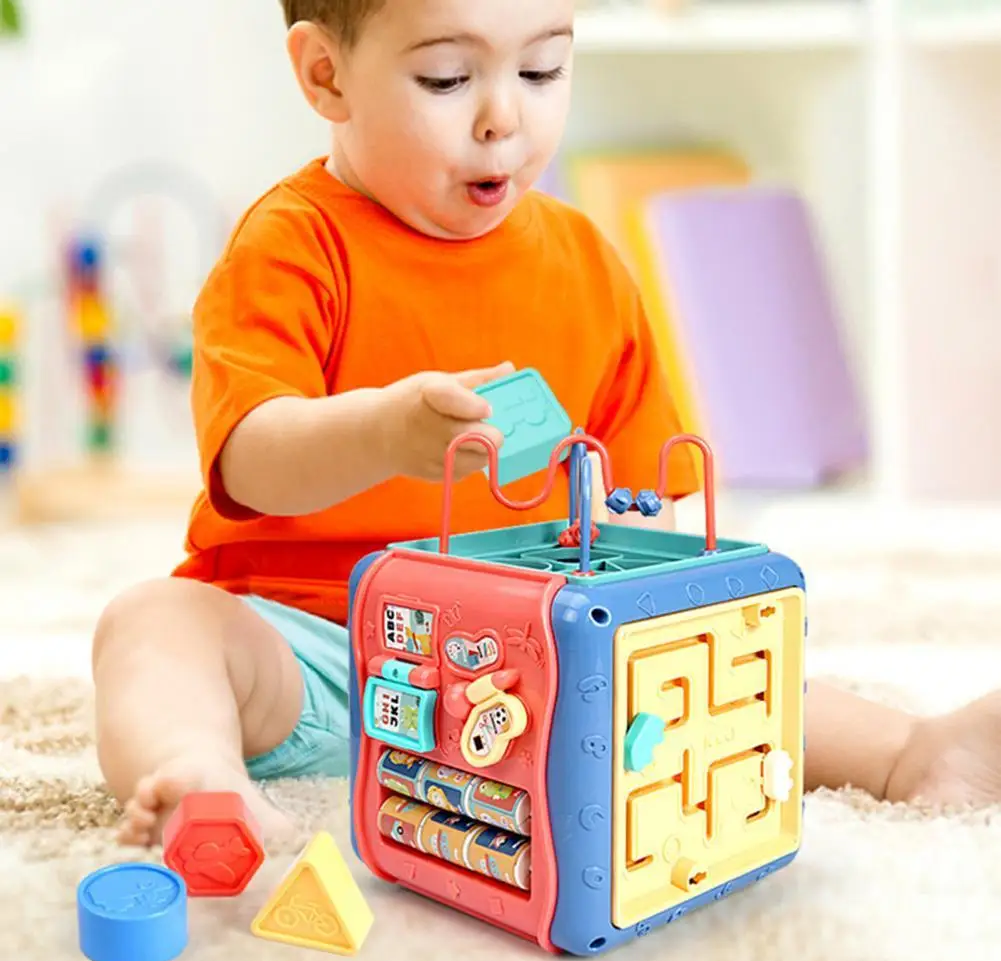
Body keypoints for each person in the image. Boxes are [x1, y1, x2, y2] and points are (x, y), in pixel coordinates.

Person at [91, 0, 1001, 848]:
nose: (503, 118)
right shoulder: (290, 245)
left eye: (541, 71)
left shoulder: (585, 263)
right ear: (326, 75)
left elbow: (647, 495)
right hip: (316, 658)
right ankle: (198, 773)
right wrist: (383, 433)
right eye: (447, 79)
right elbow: (249, 460)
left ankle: (904, 755)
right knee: (154, 620)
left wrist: (656, 612)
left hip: (533, 670)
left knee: (703, 658)